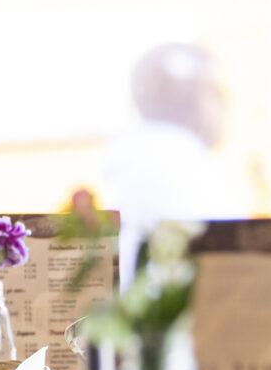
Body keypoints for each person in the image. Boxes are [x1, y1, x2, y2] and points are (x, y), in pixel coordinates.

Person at [101, 41, 241, 273]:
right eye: (218, 93)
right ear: (197, 100)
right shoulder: (181, 167)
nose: (226, 103)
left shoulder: (139, 157)